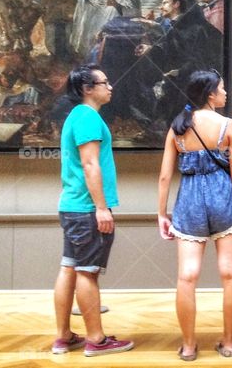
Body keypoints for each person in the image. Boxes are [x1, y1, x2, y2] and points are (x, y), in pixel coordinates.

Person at [157, 69, 232, 361]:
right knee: (230, 273)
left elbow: (164, 177)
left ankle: (188, 346)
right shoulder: (229, 126)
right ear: (210, 94)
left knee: (187, 277)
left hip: (189, 201)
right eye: (222, 89)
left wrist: (162, 213)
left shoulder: (178, 127)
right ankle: (228, 343)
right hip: (223, 198)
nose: (225, 93)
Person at [52, 65, 134, 357]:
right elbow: (90, 165)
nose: (110, 86)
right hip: (87, 209)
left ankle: (63, 337)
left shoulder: (77, 116)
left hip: (72, 207)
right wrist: (102, 208)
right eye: (105, 82)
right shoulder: (87, 117)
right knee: (87, 273)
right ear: (88, 89)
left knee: (70, 268)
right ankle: (96, 340)